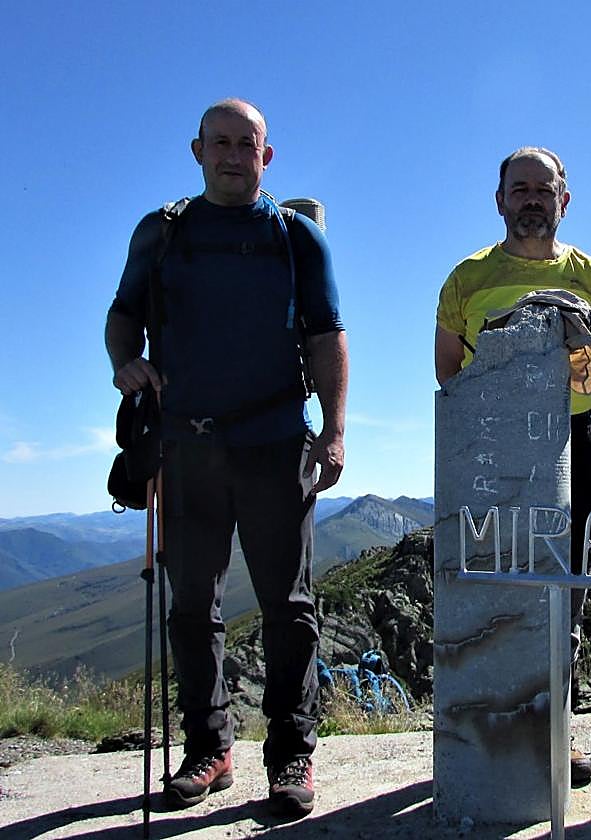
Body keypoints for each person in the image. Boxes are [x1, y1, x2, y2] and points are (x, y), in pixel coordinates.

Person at [105, 98, 348, 818]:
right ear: (197, 150)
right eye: (221, 143)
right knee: (191, 608)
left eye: (248, 144)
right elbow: (123, 314)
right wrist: (126, 362)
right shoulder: (161, 233)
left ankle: (290, 756)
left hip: (275, 442)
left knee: (289, 607)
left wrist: (333, 431)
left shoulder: (296, 237)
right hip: (185, 446)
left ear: (266, 156)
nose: (234, 154)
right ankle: (209, 750)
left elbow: (326, 335)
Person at [434, 146, 591, 786]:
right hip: (488, 446)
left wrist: (568, 379)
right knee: (494, 578)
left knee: (563, 587)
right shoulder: (466, 277)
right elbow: (447, 369)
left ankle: (556, 728)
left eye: (544, 189)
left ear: (564, 201)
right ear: (500, 200)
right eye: (520, 189)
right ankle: (487, 716)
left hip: (570, 441)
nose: (532, 199)